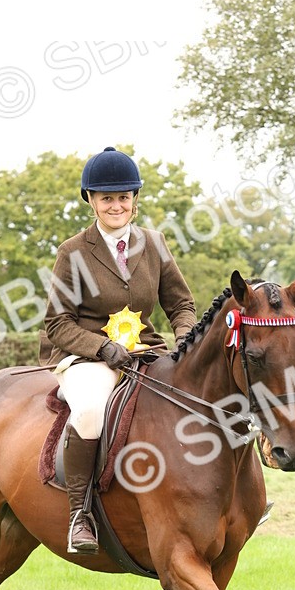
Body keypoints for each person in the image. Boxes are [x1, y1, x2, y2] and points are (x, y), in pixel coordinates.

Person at [41, 146, 197, 555]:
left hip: (144, 351)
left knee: (197, 395)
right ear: (90, 200)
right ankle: (81, 513)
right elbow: (57, 323)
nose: (116, 205)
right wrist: (101, 348)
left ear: (135, 200)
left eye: (123, 197)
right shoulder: (73, 252)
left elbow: (180, 304)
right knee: (91, 409)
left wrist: (186, 340)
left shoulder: (156, 244)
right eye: (107, 197)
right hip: (85, 356)